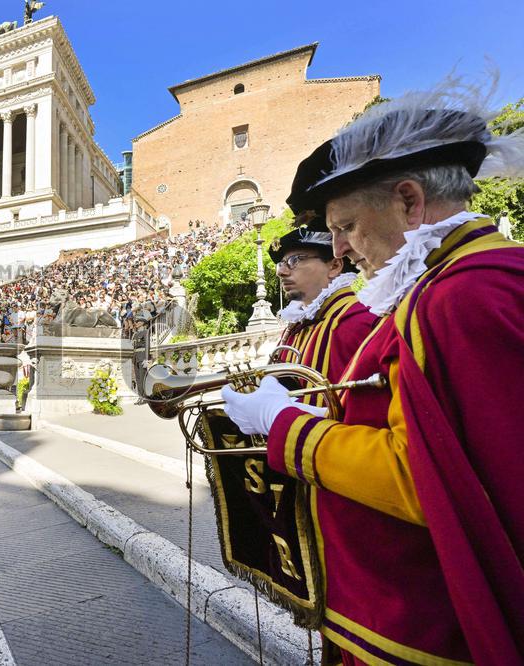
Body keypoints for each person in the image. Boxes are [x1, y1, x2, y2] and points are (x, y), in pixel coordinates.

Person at [221, 78, 524, 665]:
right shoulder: (444, 288)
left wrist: (288, 426)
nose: (340, 250)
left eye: (346, 226)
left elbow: (423, 481)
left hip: (424, 631)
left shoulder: (462, 296)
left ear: (409, 201)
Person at [268, 228, 377, 388]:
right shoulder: (295, 328)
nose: (281, 272)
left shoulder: (361, 323)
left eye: (294, 260)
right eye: (281, 264)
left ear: (334, 266)